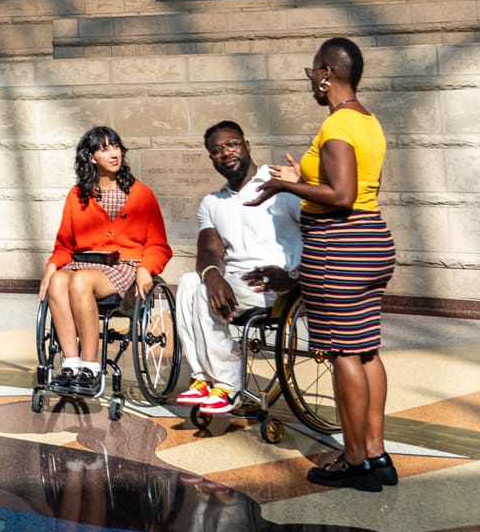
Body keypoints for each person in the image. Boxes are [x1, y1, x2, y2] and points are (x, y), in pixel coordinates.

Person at [249, 37, 397, 491]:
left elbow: (342, 194)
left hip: (338, 246)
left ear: (327, 73)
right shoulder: (367, 121)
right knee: (366, 350)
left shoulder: (336, 125)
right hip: (371, 241)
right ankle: (376, 453)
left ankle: (354, 461)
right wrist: (302, 177)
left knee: (342, 352)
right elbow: (351, 185)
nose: (311, 79)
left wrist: (286, 187)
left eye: (313, 71)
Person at [173, 120, 302, 417]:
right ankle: (204, 378)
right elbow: (209, 249)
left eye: (231, 144)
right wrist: (212, 275)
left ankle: (228, 385)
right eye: (216, 150)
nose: (225, 153)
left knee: (203, 293)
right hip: (237, 282)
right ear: (211, 158)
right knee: (190, 283)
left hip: (277, 284)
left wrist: (293, 275)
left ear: (247, 145)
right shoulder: (212, 202)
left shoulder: (281, 185)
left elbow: (319, 229)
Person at [37, 125, 172, 395]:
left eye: (116, 146)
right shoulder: (77, 196)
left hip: (124, 265)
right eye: (104, 149)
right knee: (59, 281)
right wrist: (52, 266)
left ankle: (90, 366)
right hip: (84, 262)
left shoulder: (141, 194)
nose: (113, 154)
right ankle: (71, 363)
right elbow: (65, 245)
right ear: (91, 157)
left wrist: (146, 269)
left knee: (79, 281)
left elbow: (158, 244)